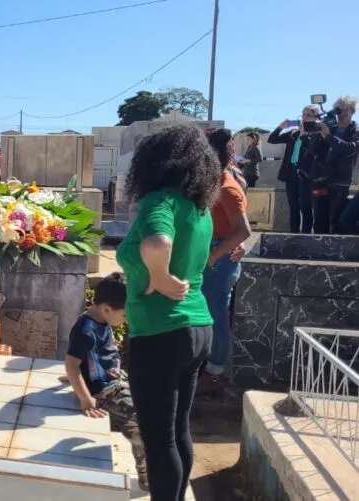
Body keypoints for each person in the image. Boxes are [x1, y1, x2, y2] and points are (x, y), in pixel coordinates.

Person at [116, 123, 217, 501]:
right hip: (197, 327)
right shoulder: (199, 209)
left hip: (161, 332)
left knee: (159, 440)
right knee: (178, 430)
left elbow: (158, 242)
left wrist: (158, 275)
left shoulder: (159, 201)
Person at [64, 272, 145, 489]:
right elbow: (71, 363)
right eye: (124, 315)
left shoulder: (102, 319)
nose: (125, 320)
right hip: (104, 391)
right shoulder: (86, 330)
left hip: (113, 380)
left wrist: (113, 367)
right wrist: (85, 397)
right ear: (108, 308)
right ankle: (149, 478)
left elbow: (92, 357)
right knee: (144, 423)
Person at [199, 129, 251, 395]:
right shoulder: (215, 180)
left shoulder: (227, 186)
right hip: (214, 252)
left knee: (216, 315)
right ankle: (205, 365)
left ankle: (215, 371)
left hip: (220, 257)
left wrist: (214, 256)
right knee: (206, 313)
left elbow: (243, 231)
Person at [307, 96, 359, 234]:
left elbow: (349, 149)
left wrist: (328, 136)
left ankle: (333, 252)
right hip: (321, 179)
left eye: (344, 110)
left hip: (340, 181)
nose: (341, 114)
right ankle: (318, 248)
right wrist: (317, 133)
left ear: (352, 111)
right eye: (338, 110)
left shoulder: (355, 131)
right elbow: (313, 150)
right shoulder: (330, 128)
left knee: (336, 219)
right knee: (319, 219)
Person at [267, 106, 321, 233]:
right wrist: (281, 127)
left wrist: (304, 136)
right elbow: (272, 139)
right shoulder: (294, 133)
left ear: (315, 118)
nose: (304, 118)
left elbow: (315, 151)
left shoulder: (317, 132)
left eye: (308, 115)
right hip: (291, 173)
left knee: (306, 207)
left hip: (306, 174)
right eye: (303, 115)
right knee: (293, 207)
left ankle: (306, 235)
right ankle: (294, 234)